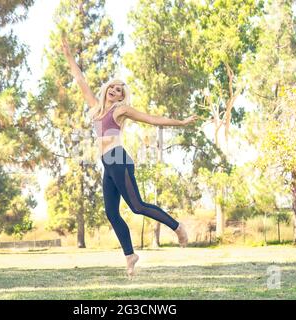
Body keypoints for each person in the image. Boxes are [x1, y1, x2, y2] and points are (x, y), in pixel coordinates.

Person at [60, 36, 198, 278]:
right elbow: (80, 79)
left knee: (137, 206)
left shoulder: (120, 110)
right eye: (113, 88)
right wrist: (69, 55)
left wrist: (181, 122)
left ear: (122, 97)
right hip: (107, 164)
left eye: (119, 91)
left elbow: (151, 119)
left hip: (119, 159)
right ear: (107, 90)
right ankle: (130, 255)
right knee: (112, 213)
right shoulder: (94, 108)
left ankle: (178, 227)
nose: (115, 91)